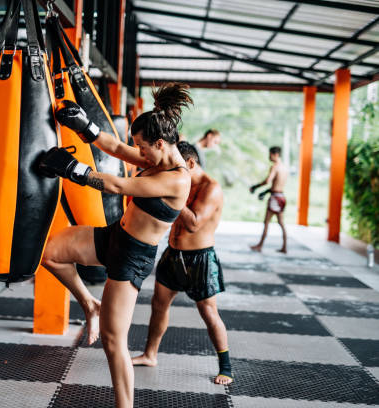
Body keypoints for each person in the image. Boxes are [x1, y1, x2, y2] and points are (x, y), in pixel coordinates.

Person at [38, 83, 192, 408]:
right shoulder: (157, 159)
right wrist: (85, 126)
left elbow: (117, 184)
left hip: (132, 258)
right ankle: (90, 304)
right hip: (114, 237)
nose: (140, 152)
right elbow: (118, 149)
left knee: (112, 341)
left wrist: (73, 170)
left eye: (143, 147)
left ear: (160, 144)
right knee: (51, 253)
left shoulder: (177, 178)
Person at [131, 141, 232, 385]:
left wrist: (172, 194)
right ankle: (150, 354)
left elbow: (194, 223)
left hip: (200, 258)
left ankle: (226, 367)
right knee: (158, 306)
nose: (174, 173)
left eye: (178, 167)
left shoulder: (211, 188)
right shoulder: (181, 181)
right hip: (173, 254)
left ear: (190, 163)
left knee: (208, 313)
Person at [249, 146, 288, 253]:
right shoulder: (284, 168)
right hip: (281, 197)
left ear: (275, 155)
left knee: (266, 222)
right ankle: (284, 247)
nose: (269, 157)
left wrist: (255, 187)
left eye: (270, 154)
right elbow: (277, 186)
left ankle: (260, 246)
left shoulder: (275, 167)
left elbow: (268, 181)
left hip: (275, 198)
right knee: (281, 223)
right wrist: (265, 192)